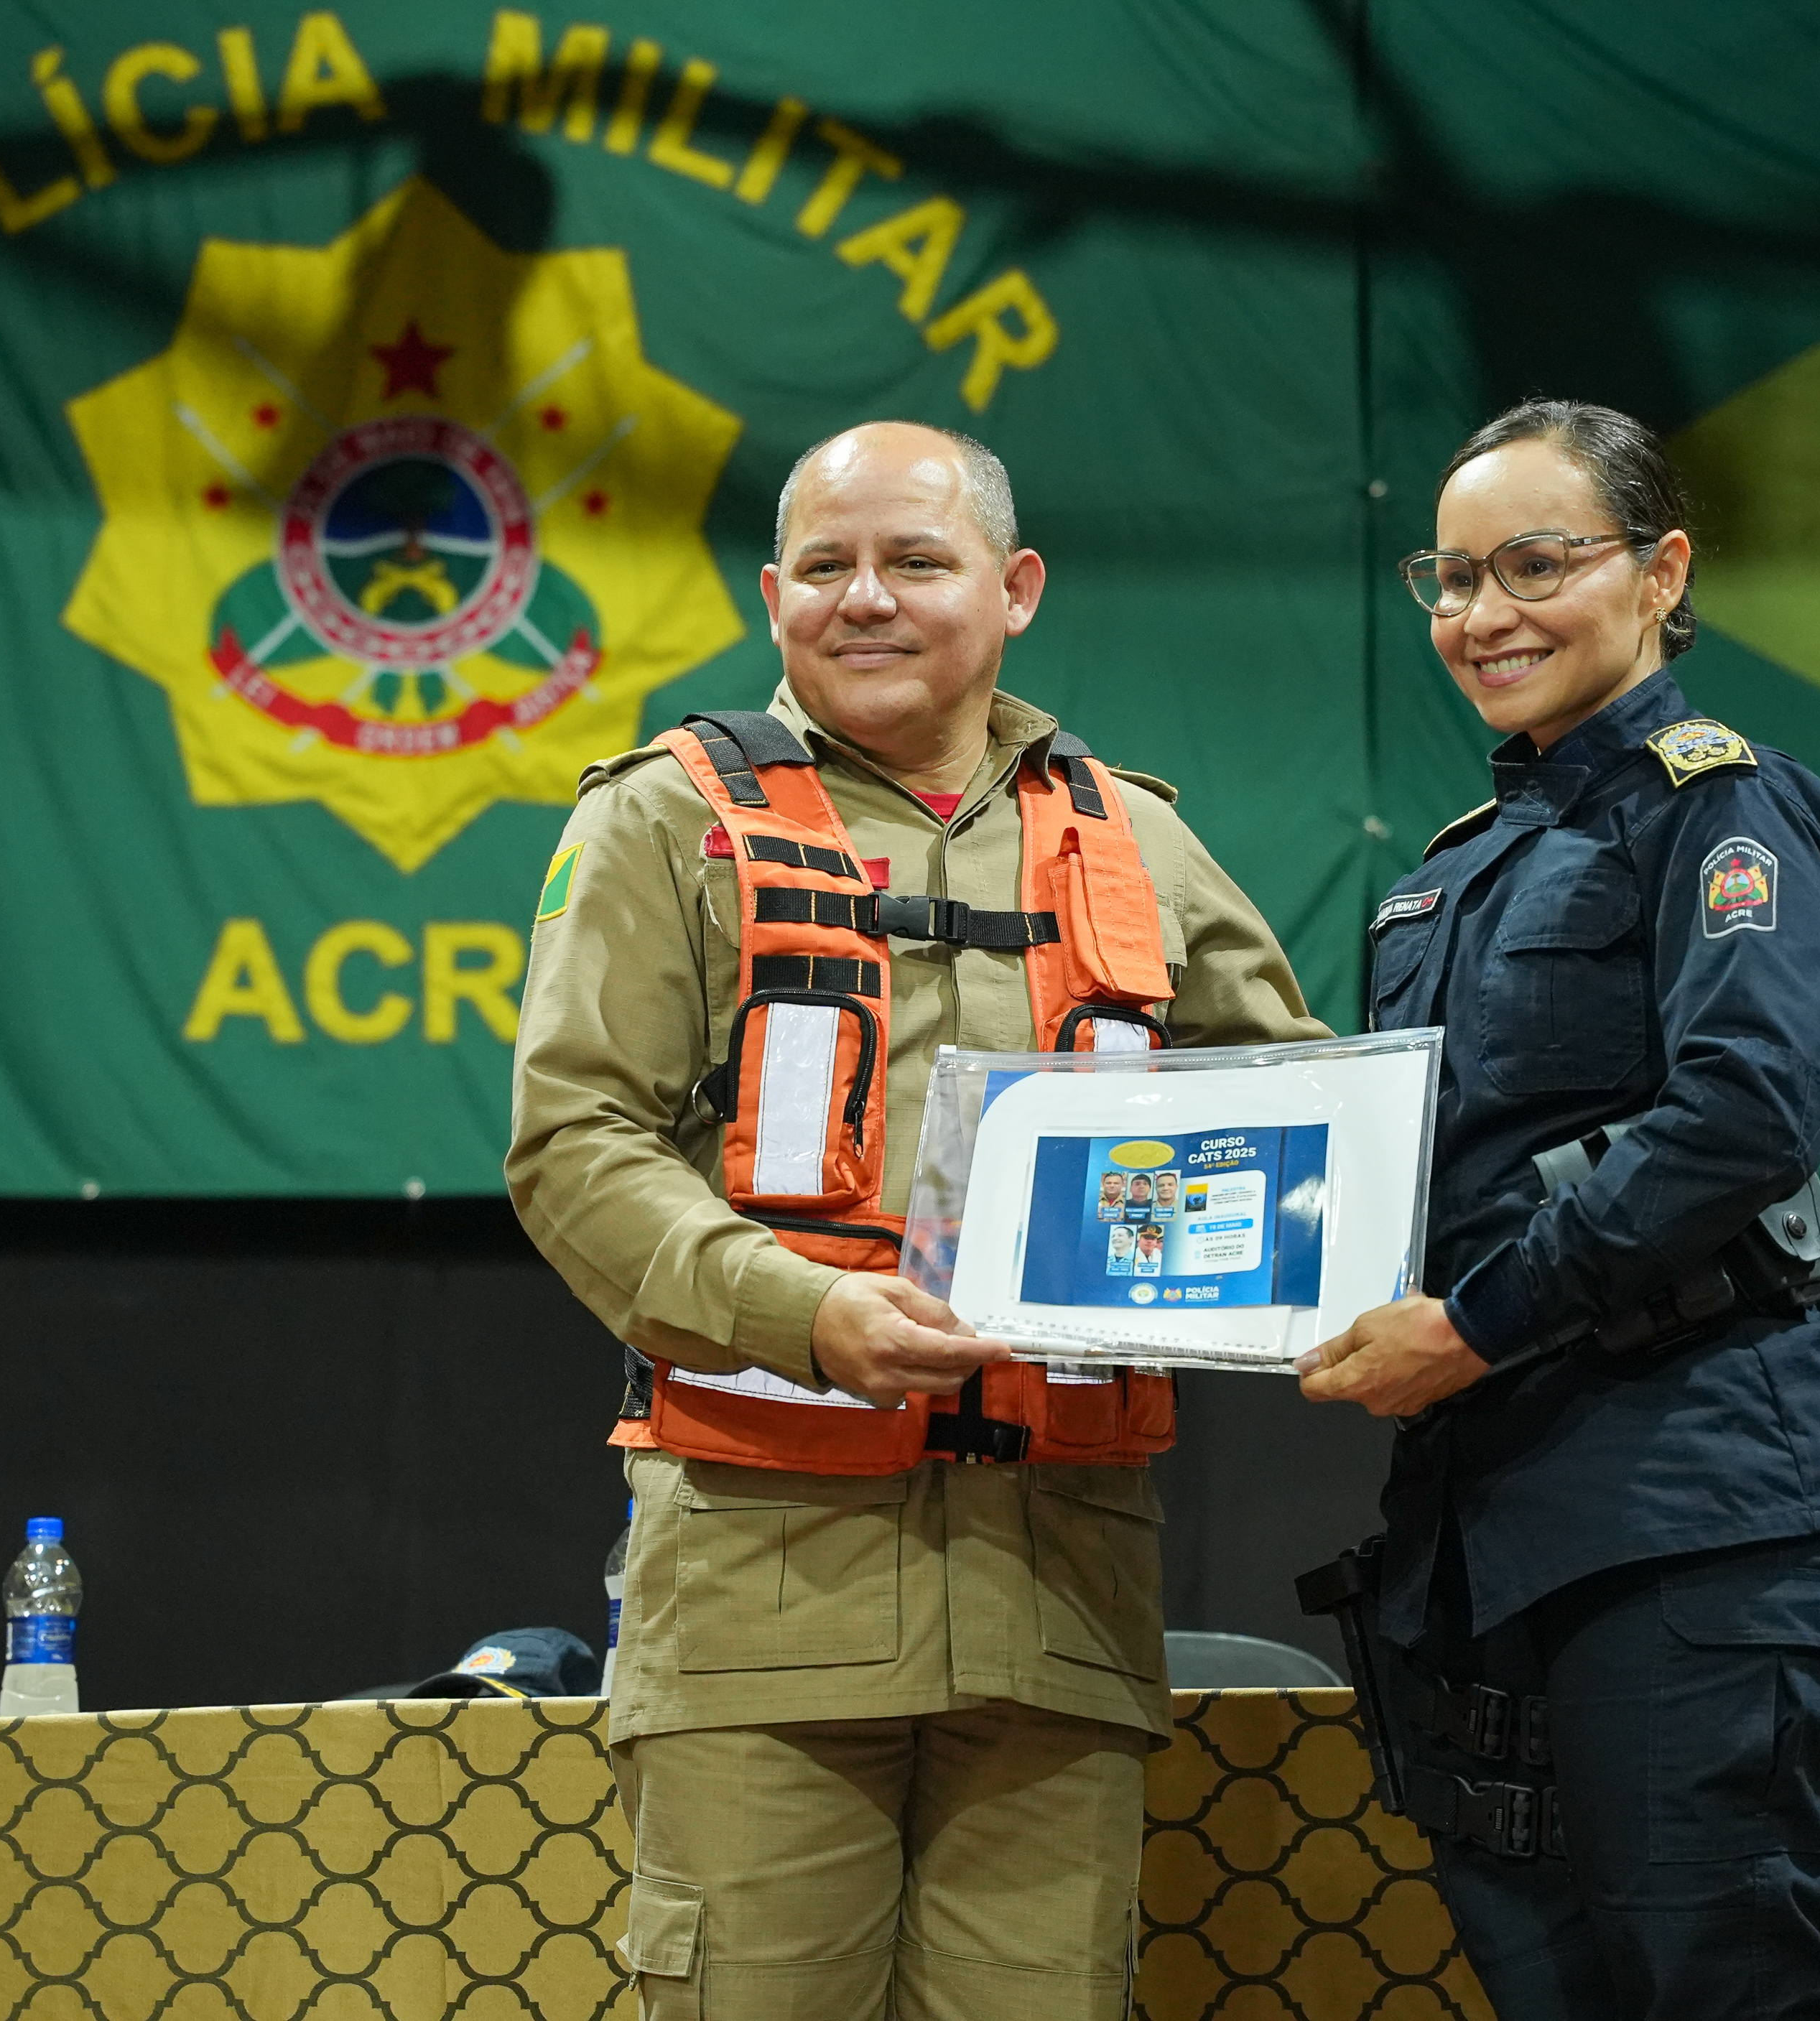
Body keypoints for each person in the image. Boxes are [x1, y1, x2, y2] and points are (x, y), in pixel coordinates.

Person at [509, 420, 1326, 2021]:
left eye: (915, 562)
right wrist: (800, 1315)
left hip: (1060, 1603)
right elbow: (574, 1150)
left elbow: (1293, 1128)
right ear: (771, 596)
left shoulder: (1135, 838)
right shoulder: (660, 824)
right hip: (760, 1599)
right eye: (825, 567)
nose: (864, 599)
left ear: (1013, 588)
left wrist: (1312, 1258)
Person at [1297, 399, 1820, 2021]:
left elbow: (1738, 1119)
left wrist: (1474, 1322)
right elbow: (1404, 1182)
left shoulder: (1727, 805)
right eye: (1451, 576)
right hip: (1478, 1533)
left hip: (1692, 1506)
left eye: (1536, 564)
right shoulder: (1443, 875)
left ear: (1660, 570)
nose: (1482, 615)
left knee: (1716, 1985)